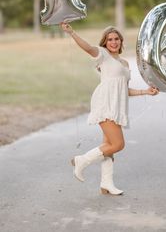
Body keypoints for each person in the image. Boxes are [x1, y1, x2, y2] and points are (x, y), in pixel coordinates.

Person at [61, 23, 159, 195]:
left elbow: (124, 90)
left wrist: (146, 92)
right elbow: (88, 48)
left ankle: (106, 183)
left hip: (117, 105)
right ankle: (81, 160)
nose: (113, 42)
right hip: (105, 102)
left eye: (116, 39)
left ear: (121, 42)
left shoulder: (124, 63)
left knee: (108, 145)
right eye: (110, 39)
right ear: (105, 43)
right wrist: (72, 33)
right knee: (118, 144)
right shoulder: (103, 55)